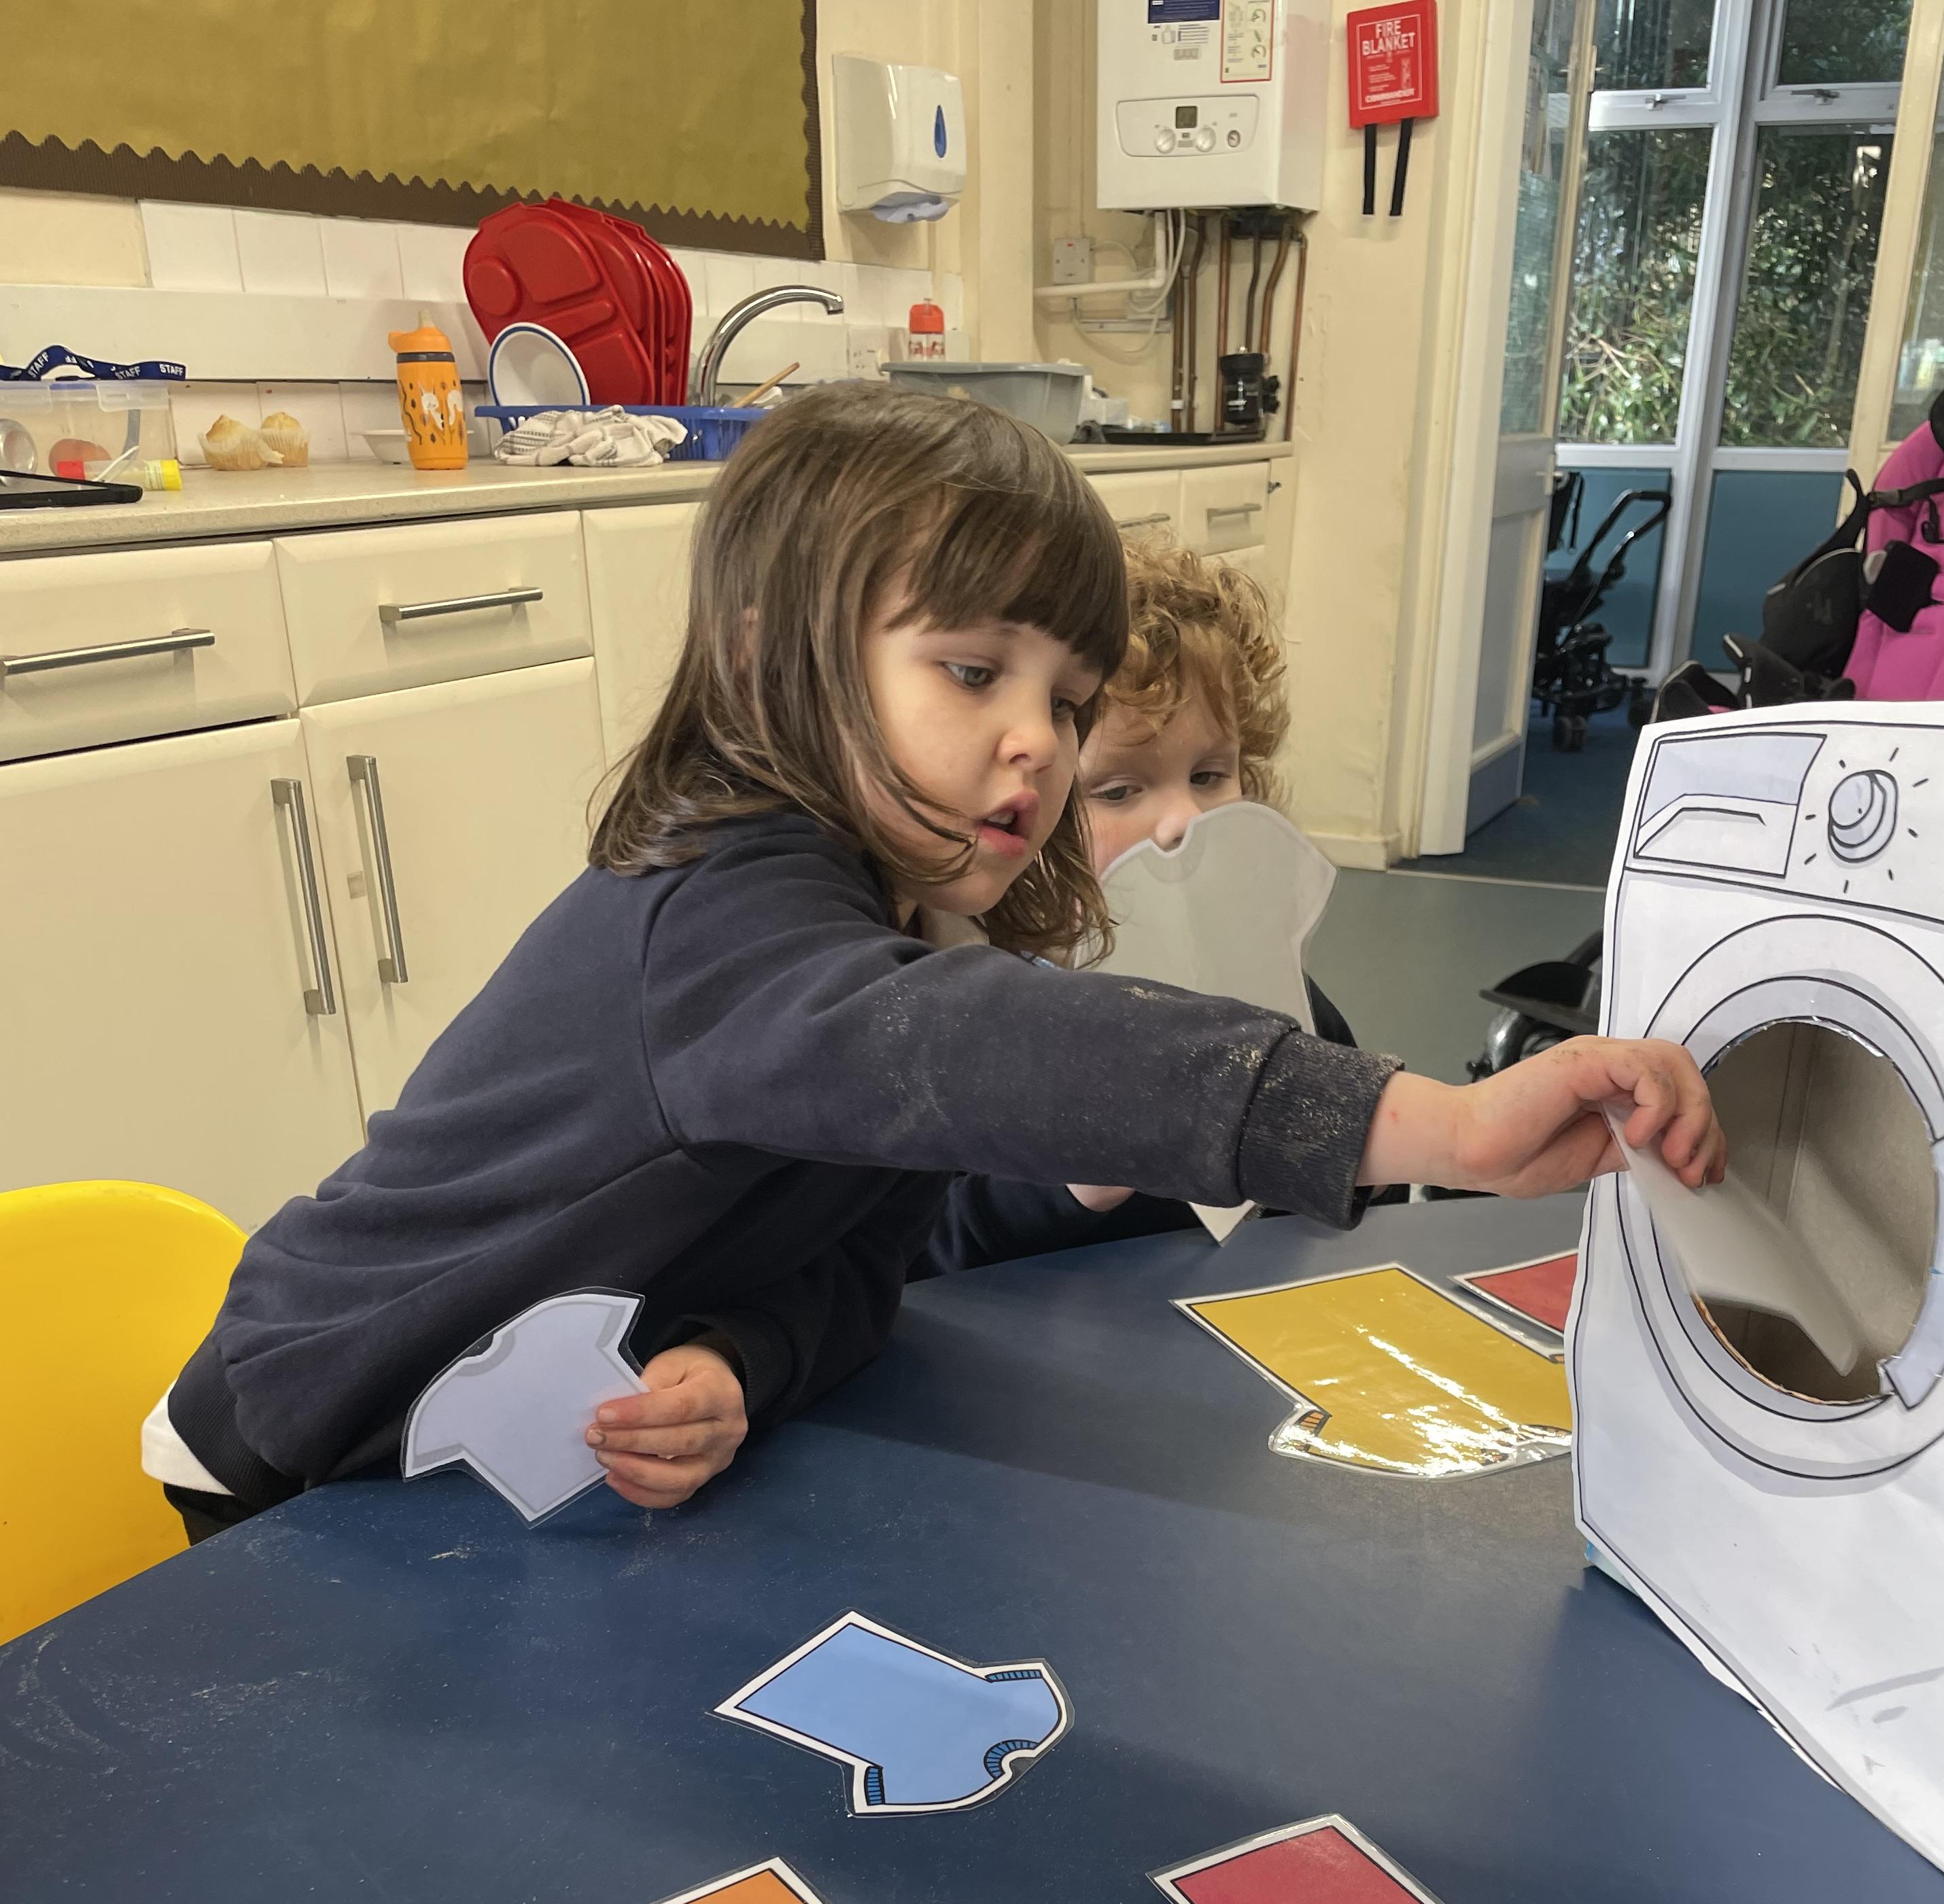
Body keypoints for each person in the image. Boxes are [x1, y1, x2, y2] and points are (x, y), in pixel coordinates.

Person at [147, 385, 1721, 1537]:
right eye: (973, 672)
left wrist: (741, 1363)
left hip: (505, 1462)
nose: (1036, 739)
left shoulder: (908, 922)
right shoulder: (718, 920)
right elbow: (982, 1049)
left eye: (1067, 698)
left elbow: (857, 1270)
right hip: (301, 1439)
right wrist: (1442, 1126)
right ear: (766, 657)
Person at [919, 534, 1366, 1273]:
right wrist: (1074, 1181)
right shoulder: (965, 1012)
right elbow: (923, 1249)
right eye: (1120, 790)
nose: (1184, 821)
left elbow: (1358, 1180)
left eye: (1210, 776)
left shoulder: (1265, 989)